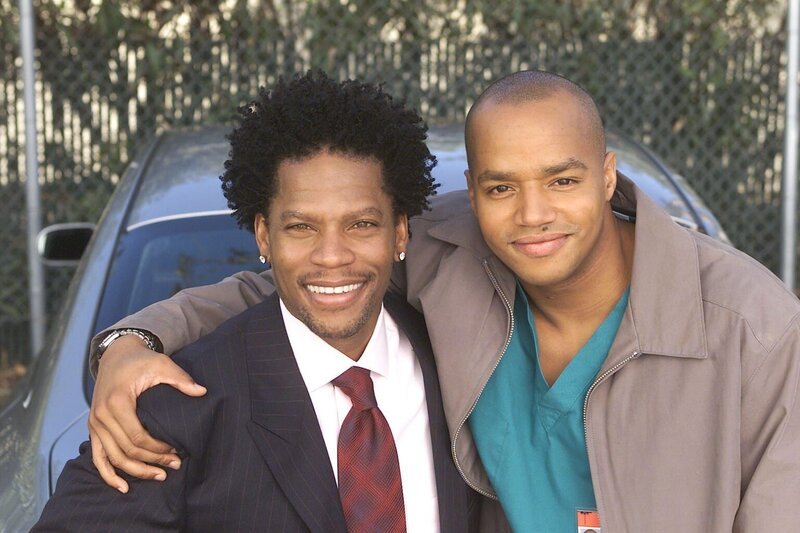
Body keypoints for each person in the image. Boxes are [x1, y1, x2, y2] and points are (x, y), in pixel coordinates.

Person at [87, 70, 800, 532]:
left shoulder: (755, 331)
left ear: (607, 176)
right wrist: (130, 342)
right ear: (473, 193)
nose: (533, 216)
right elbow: (290, 289)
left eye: (562, 180)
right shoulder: (449, 258)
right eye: (501, 187)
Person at [34, 71, 479, 532]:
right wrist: (126, 342)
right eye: (301, 227)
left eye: (361, 224)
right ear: (264, 236)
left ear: (400, 231)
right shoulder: (178, 408)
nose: (332, 256)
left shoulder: (454, 368)